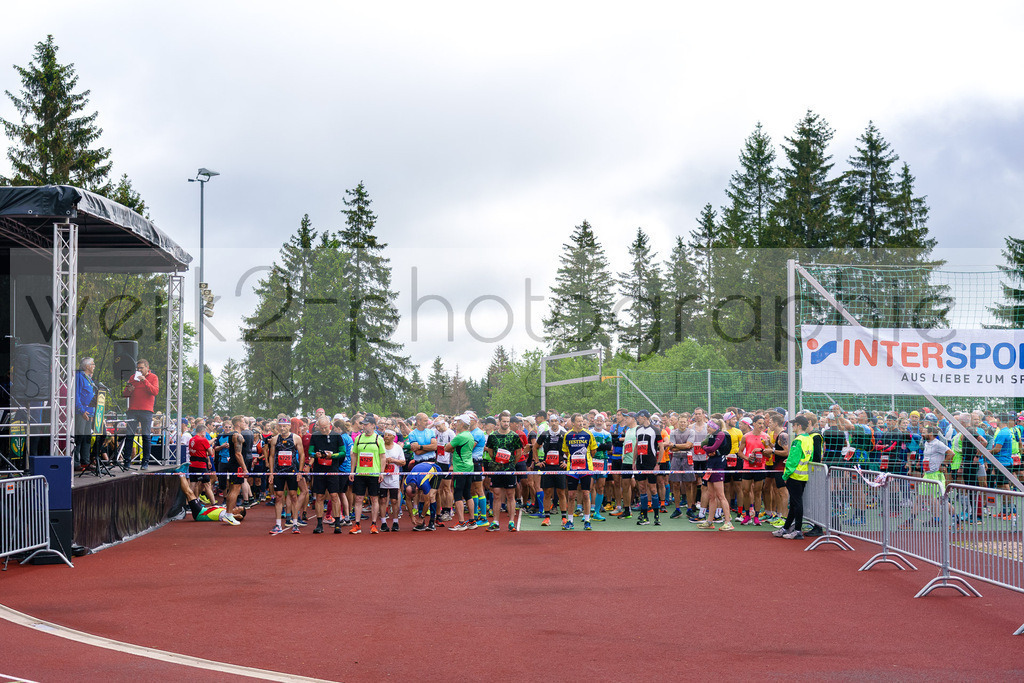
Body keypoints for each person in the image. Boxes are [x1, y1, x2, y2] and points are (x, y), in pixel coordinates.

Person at [775, 415, 813, 540]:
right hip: (803, 474)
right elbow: (809, 457)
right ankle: (786, 527)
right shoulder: (808, 439)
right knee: (795, 503)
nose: (792, 426)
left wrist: (786, 474)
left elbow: (792, 460)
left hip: (795, 475)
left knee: (796, 503)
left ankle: (797, 530)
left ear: (799, 426)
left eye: (794, 424)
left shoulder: (798, 440)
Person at [484, 411, 522, 531]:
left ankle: (511, 522)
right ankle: (495, 522)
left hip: (509, 469)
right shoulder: (493, 436)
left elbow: (519, 452)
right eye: (504, 421)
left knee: (511, 495)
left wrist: (511, 463)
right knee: (496, 495)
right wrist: (496, 461)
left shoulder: (514, 436)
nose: (506, 423)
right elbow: (490, 451)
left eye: (508, 421)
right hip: (497, 469)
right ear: (499, 422)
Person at [349, 415, 385, 534]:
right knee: (358, 498)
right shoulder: (358, 438)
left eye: (366, 424)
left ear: (373, 425)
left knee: (374, 498)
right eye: (363, 424)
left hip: (374, 473)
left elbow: (382, 456)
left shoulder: (378, 439)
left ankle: (373, 524)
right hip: (360, 472)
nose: (364, 426)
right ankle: (357, 524)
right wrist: (352, 471)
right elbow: (354, 455)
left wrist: (381, 472)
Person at [309, 415, 345, 534]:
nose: (323, 430)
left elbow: (343, 453)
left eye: (325, 427)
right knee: (319, 496)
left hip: (332, 469)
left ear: (330, 425)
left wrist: (332, 456)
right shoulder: (315, 436)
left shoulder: (337, 436)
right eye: (321, 428)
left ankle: (337, 523)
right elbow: (310, 451)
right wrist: (315, 455)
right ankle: (319, 524)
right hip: (319, 469)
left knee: (334, 495)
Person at [121, 359, 159, 469]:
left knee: (146, 436)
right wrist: (129, 390)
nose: (139, 370)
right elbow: (125, 393)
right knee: (129, 436)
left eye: (141, 368)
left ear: (147, 368)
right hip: (132, 410)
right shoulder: (133, 377)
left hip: (146, 411)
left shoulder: (153, 377)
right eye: (138, 368)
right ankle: (127, 461)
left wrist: (144, 381)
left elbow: (155, 391)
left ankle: (145, 462)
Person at [562, 413, 597, 530]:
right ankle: (570, 521)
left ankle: (587, 521)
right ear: (573, 423)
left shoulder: (588, 434)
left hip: (586, 468)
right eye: (578, 421)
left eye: (582, 421)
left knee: (586, 494)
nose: (581, 423)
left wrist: (584, 460)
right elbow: (566, 452)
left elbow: (593, 450)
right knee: (571, 495)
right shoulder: (567, 435)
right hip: (572, 469)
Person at [268, 418, 302, 535]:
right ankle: (278, 524)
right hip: (279, 472)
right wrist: (271, 473)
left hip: (292, 471)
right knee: (278, 496)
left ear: (289, 427)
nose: (282, 428)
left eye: (284, 426)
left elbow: (302, 455)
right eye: (280, 426)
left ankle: (295, 523)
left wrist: (300, 471)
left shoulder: (296, 438)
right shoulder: (274, 439)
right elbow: (271, 456)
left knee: (293, 496)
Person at [175, 470, 245, 525]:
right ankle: (182, 474)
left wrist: (238, 516)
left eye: (239, 508)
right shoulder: (227, 511)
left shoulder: (230, 516)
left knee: (189, 493)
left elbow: (240, 517)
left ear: (239, 513)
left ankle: (181, 474)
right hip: (202, 510)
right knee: (190, 493)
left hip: (199, 514)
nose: (237, 507)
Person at [633, 410, 662, 526]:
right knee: (641, 488)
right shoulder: (638, 429)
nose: (637, 420)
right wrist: (634, 461)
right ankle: (644, 516)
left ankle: (656, 516)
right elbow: (636, 445)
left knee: (653, 489)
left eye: (638, 418)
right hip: (640, 463)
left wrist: (658, 464)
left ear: (644, 417)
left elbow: (661, 447)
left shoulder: (655, 430)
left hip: (651, 463)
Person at [73, 357, 97, 471]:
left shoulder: (89, 379)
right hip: (81, 412)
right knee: (79, 436)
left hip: (90, 412)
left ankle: (85, 462)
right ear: (87, 366)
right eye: (93, 364)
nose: (94, 366)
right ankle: (76, 462)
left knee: (87, 437)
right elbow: (76, 395)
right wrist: (81, 410)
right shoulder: (79, 377)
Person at [380, 430, 406, 531]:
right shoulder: (380, 446)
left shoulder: (398, 448)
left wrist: (393, 460)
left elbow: (403, 462)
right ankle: (383, 523)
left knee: (394, 500)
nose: (386, 437)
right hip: (382, 477)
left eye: (389, 435)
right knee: (382, 500)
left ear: (393, 437)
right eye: (385, 435)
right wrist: (383, 461)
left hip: (394, 477)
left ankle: (395, 522)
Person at [406, 460, 442, 531]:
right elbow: (408, 500)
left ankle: (431, 522)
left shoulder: (423, 483)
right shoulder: (406, 482)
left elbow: (427, 502)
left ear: (417, 488)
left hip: (435, 471)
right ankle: (421, 524)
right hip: (423, 471)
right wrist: (412, 516)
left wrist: (421, 517)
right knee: (422, 497)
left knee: (431, 496)